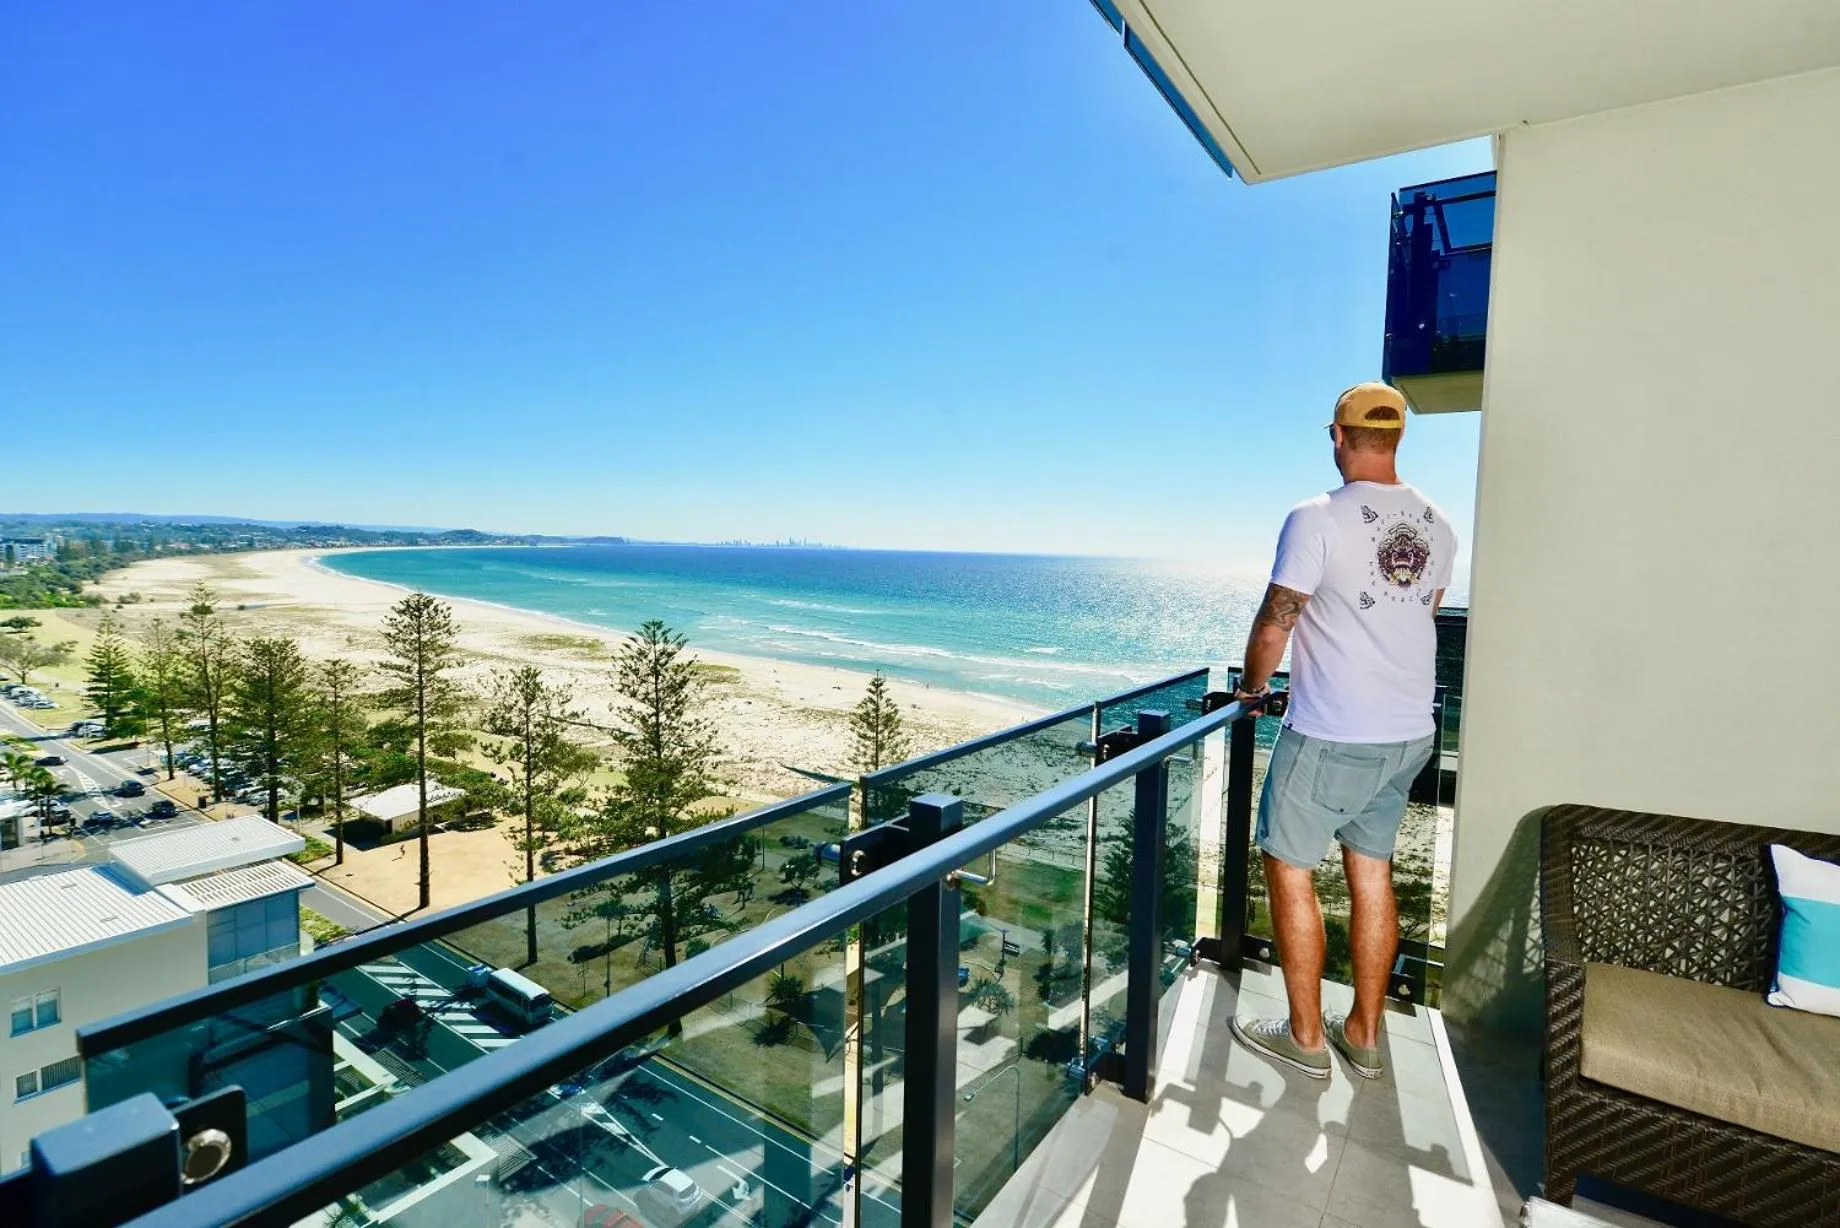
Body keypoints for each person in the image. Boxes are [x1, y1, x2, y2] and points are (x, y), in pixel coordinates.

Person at [1227, 381, 1454, 1081]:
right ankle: (1363, 1034)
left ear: (1338, 435)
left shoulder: (1316, 517)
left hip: (1334, 731)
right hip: (1408, 732)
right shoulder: (1438, 524)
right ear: (1397, 437)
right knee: (1372, 871)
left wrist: (1253, 690)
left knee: (1288, 866)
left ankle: (1304, 1039)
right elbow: (1420, 613)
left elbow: (1277, 621)